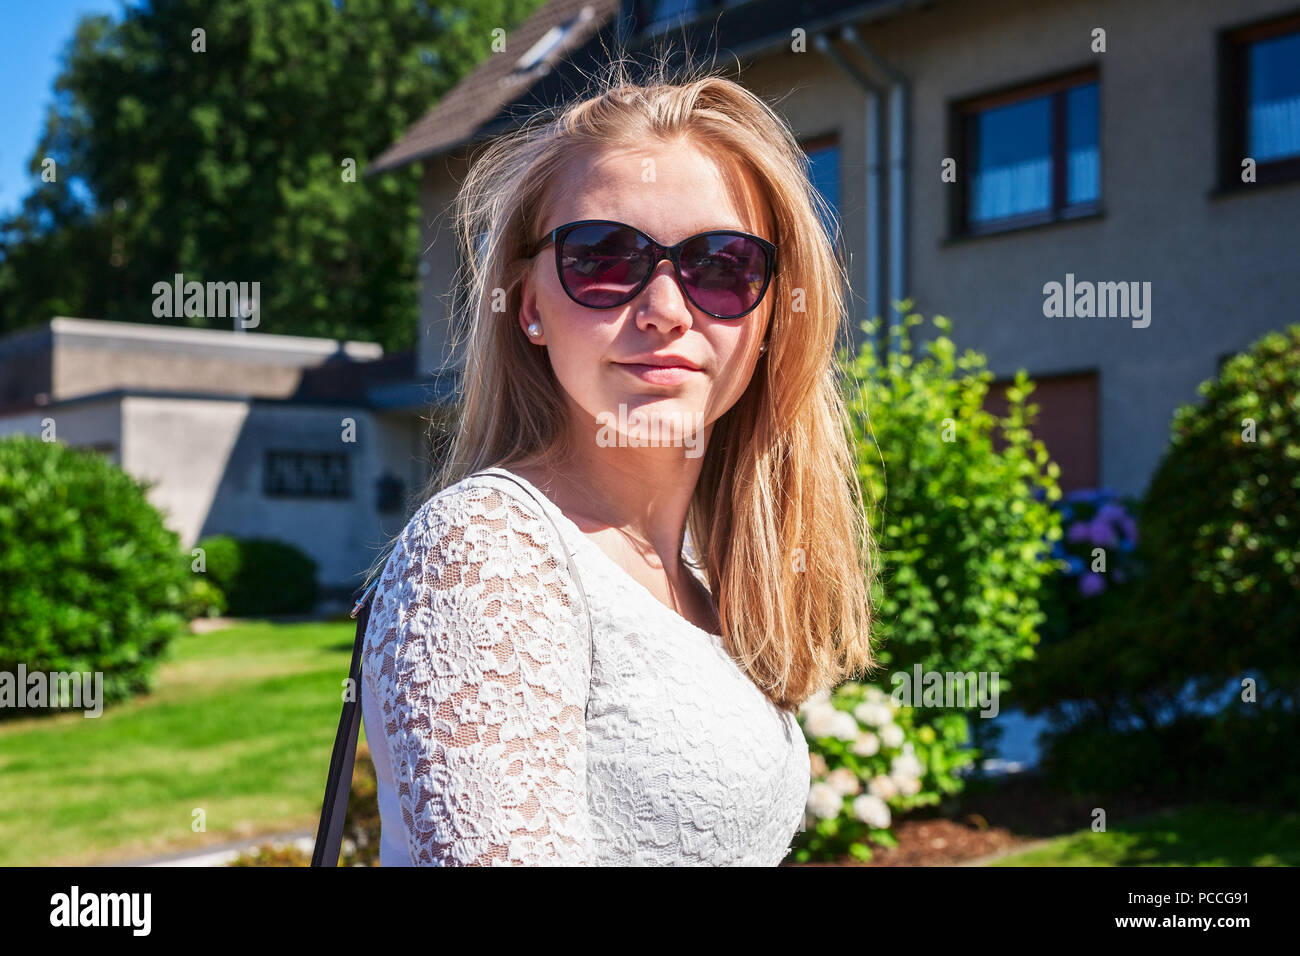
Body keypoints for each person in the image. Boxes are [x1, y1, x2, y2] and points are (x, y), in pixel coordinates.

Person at [359, 56, 877, 866]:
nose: (667, 311)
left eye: (723, 266)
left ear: (774, 311)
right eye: (603, 259)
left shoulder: (698, 574)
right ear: (529, 305)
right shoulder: (490, 553)